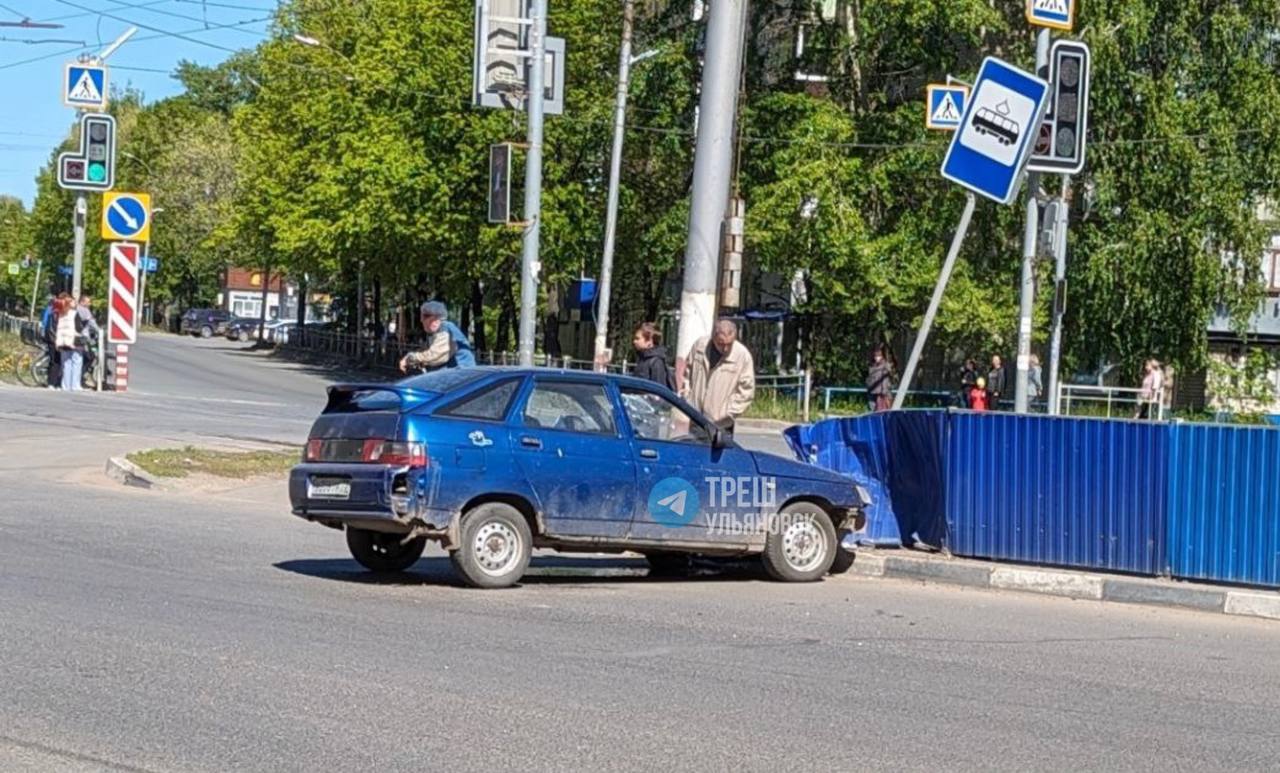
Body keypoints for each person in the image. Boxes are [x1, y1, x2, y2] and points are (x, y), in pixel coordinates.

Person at [683, 319, 755, 430]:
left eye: (729, 344)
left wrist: (729, 413)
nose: (725, 349)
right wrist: (687, 397)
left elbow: (747, 390)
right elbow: (687, 373)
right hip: (695, 418)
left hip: (721, 424)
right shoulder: (699, 347)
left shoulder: (742, 356)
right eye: (721, 344)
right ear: (713, 337)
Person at [398, 301, 475, 373]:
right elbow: (428, 354)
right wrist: (415, 359)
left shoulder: (445, 328)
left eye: (423, 317)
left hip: (462, 374)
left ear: (434, 318)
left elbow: (436, 354)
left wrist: (411, 358)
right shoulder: (436, 333)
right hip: (455, 374)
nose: (421, 321)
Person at [53, 294, 83, 390]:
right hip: (74, 341)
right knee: (77, 362)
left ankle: (65, 385)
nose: (75, 303)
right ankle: (75, 385)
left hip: (63, 341)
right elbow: (79, 328)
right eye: (73, 301)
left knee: (66, 364)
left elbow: (59, 329)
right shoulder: (74, 314)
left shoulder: (61, 314)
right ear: (69, 304)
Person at [631, 322, 674, 390]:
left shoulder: (656, 362)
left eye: (637, 338)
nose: (634, 341)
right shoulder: (643, 359)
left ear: (649, 341)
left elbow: (658, 391)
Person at [40, 295, 62, 389]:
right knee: (56, 361)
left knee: (54, 361)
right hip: (54, 340)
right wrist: (57, 340)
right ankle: (52, 382)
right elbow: (53, 329)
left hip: (50, 338)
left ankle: (52, 381)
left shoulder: (51, 312)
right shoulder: (56, 314)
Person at [865, 344, 895, 412]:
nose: (877, 358)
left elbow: (888, 379)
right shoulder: (871, 366)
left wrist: (885, 392)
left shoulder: (886, 365)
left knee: (881, 411)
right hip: (872, 392)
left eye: (878, 356)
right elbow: (869, 379)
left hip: (882, 393)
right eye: (875, 356)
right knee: (872, 410)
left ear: (882, 356)